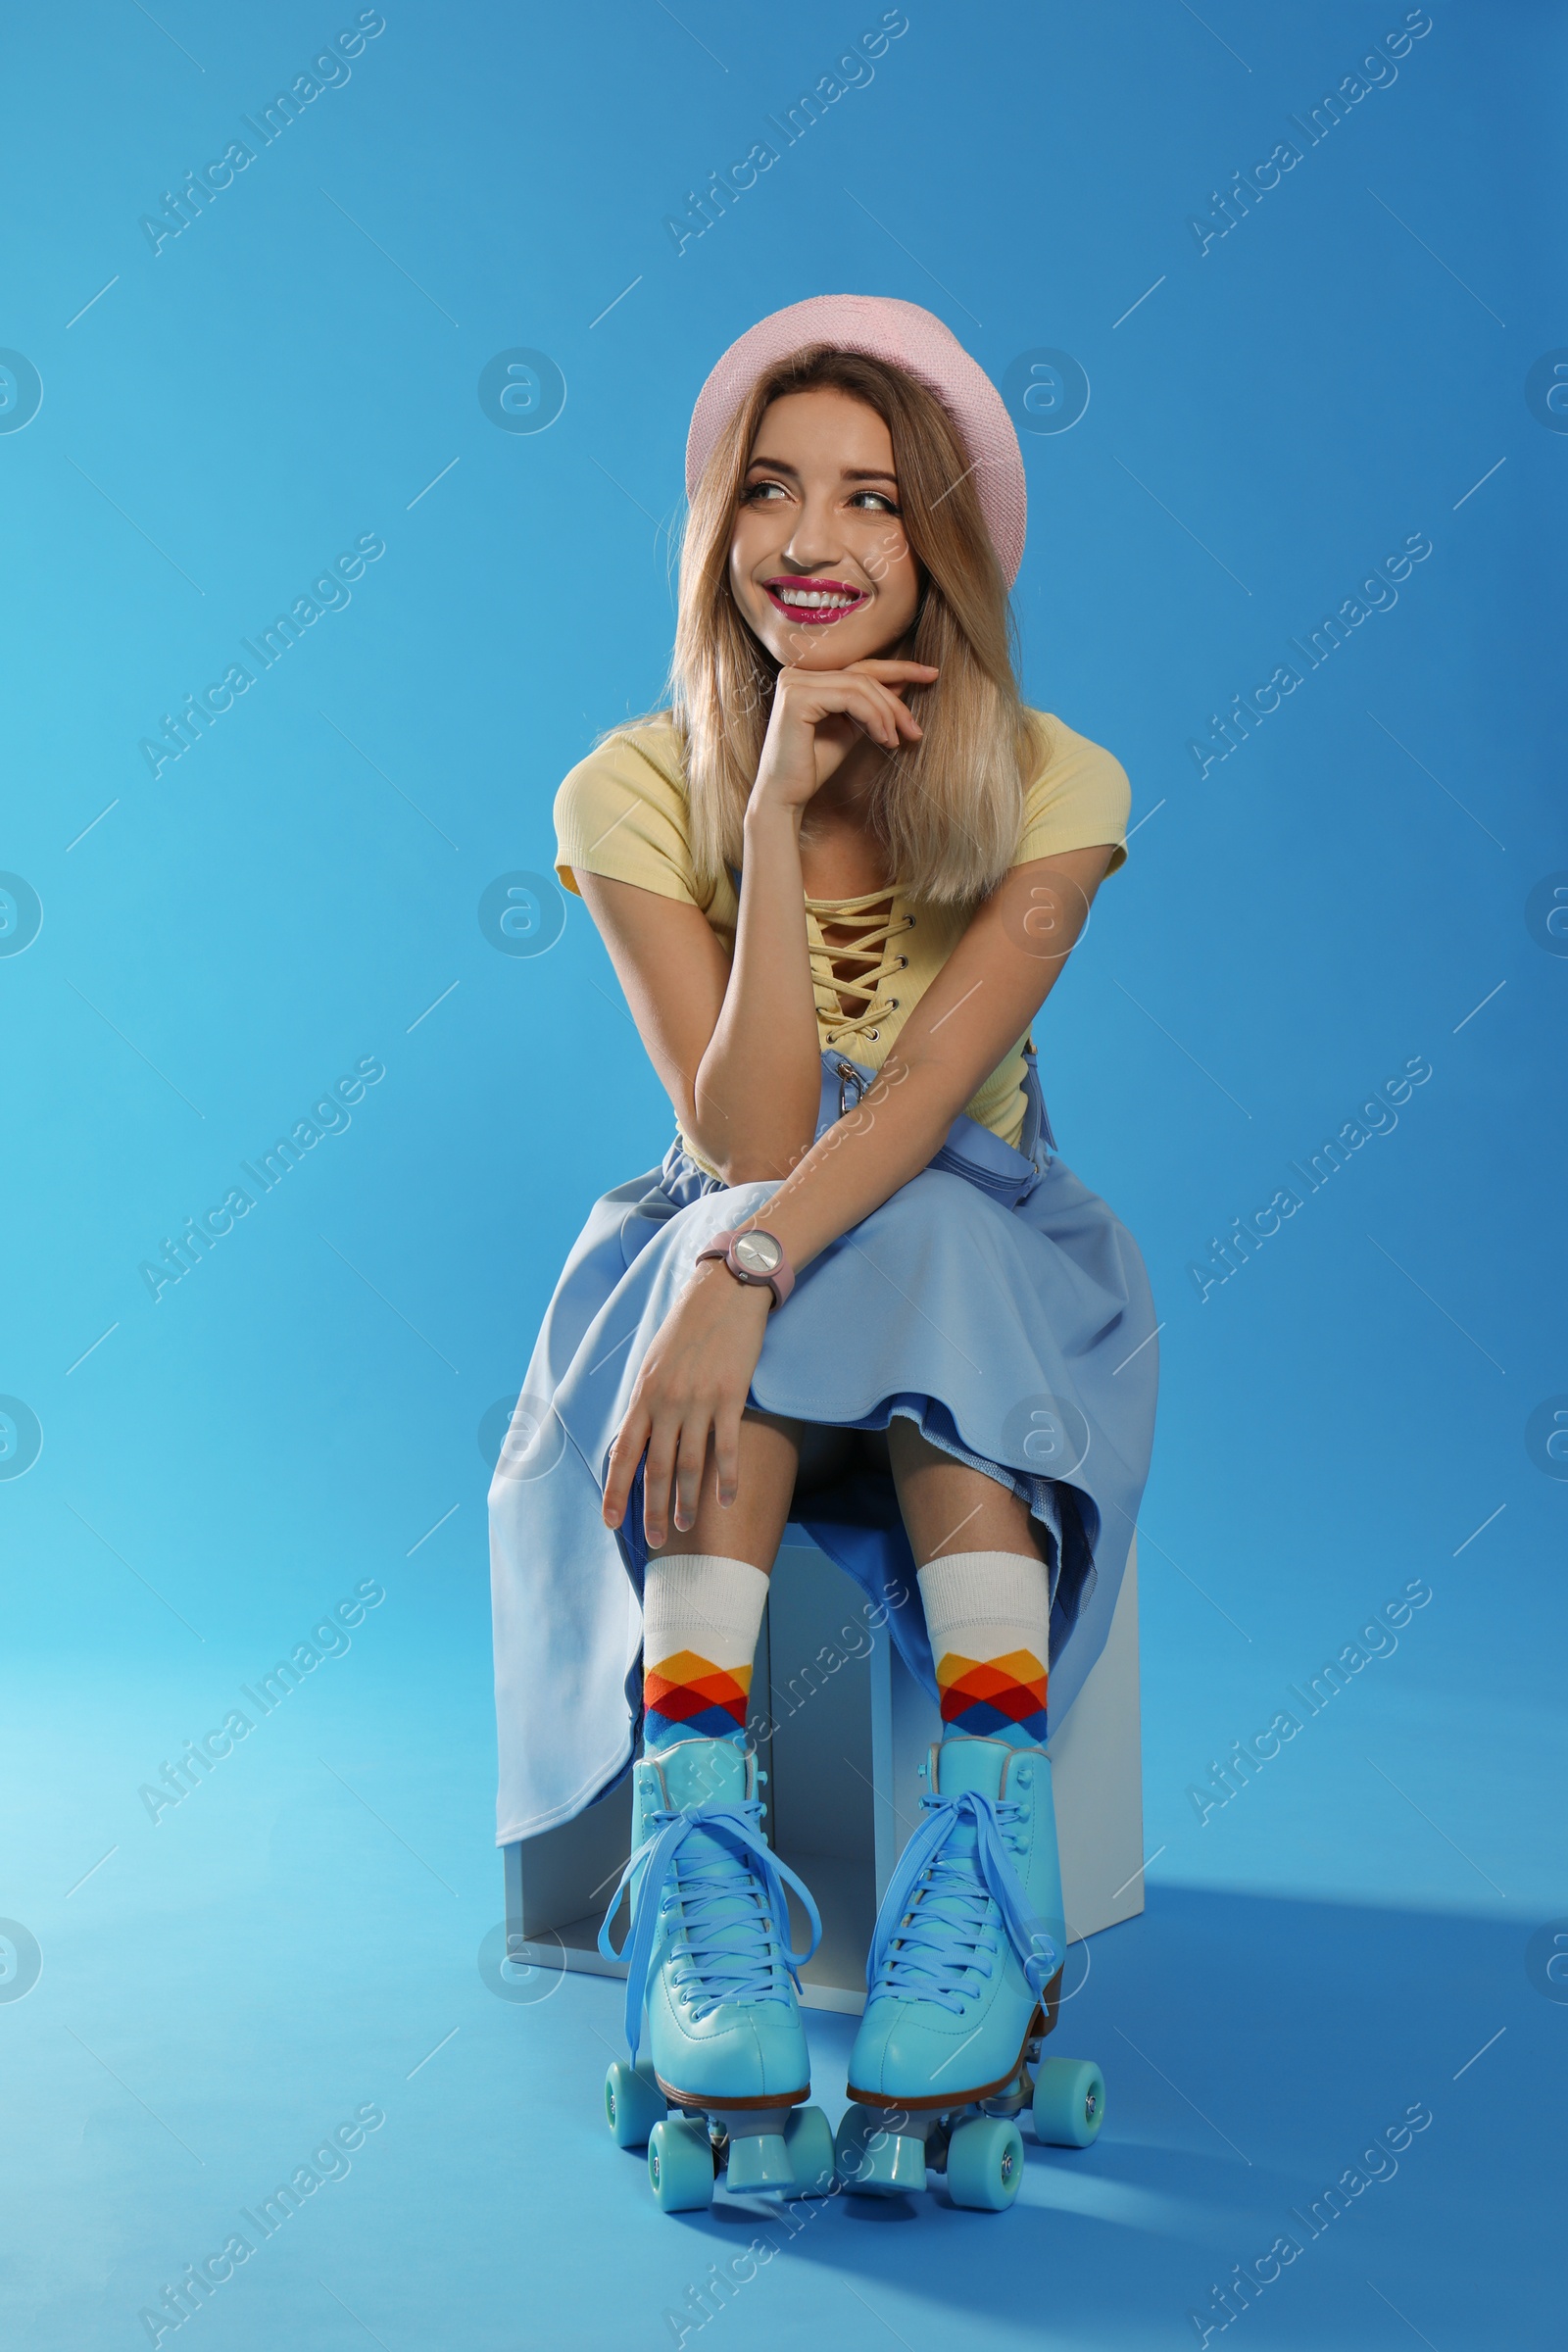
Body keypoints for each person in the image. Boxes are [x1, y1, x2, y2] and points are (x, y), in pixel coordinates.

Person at [489, 294, 1157, 2197]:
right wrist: (770, 812)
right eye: (768, 490)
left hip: (983, 1259)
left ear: (933, 547)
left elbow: (927, 1098)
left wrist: (741, 1270)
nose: (811, 538)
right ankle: (698, 1857)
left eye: (869, 499)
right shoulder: (624, 789)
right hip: (730, 1223)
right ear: (716, 533)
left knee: (931, 1221)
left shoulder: (1056, 785)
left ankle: (987, 1843)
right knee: (749, 1231)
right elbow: (755, 1141)